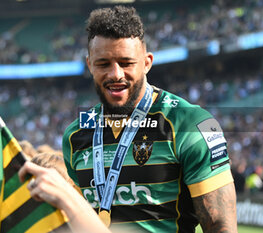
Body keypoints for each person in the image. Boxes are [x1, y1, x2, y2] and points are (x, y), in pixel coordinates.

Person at [61, 5, 237, 233]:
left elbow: (220, 226)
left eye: (126, 62)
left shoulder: (191, 123)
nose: (115, 74)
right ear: (89, 65)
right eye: (103, 63)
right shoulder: (75, 134)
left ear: (147, 62)